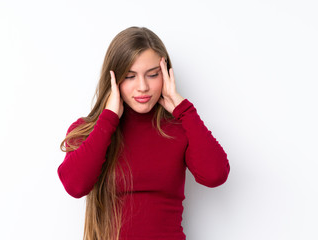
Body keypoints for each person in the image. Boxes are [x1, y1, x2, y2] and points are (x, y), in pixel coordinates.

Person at [58, 26, 230, 240]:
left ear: (166, 75)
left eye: (152, 75)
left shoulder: (179, 129)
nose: (143, 87)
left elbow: (215, 175)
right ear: (114, 79)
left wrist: (184, 110)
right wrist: (109, 119)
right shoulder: (90, 130)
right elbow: (75, 186)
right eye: (130, 76)